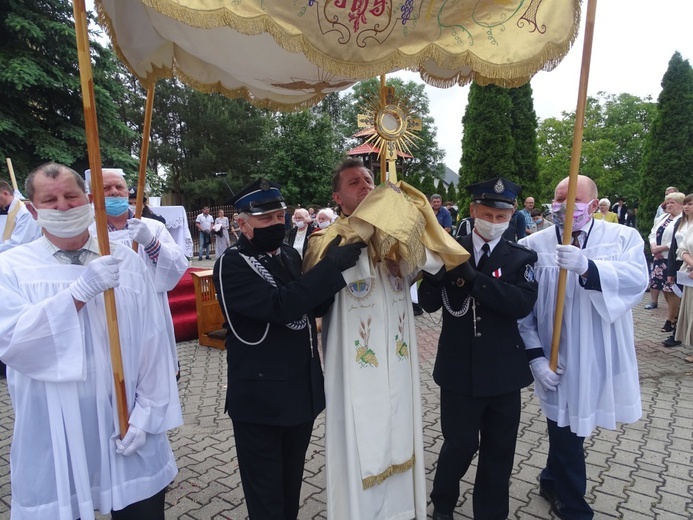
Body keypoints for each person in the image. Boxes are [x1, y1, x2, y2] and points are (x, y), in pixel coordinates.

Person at [0, 162, 182, 519]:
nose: (64, 206)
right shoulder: (12, 268)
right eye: (50, 200)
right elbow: (14, 342)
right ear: (34, 210)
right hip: (57, 423)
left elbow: (153, 342)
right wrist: (77, 294)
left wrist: (147, 414)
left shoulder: (125, 262)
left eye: (71, 196)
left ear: (87, 199)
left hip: (126, 418)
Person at [303, 158, 468, 520]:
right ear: (337, 197)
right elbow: (311, 299)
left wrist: (414, 223)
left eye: (367, 179)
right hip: (354, 366)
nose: (364, 186)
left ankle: (403, 511)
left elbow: (433, 272)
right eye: (353, 183)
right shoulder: (326, 239)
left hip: (400, 359)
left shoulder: (397, 235)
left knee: (401, 428)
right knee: (361, 439)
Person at [212, 178, 365, 519]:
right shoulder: (231, 264)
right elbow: (279, 306)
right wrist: (329, 268)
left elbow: (311, 308)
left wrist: (341, 280)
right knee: (266, 499)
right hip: (261, 401)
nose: (276, 224)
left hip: (300, 394)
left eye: (279, 216)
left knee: (290, 488)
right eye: (265, 219)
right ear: (242, 224)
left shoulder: (289, 255)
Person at [518, 174, 648, 520]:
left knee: (570, 425)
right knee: (564, 428)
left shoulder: (623, 238)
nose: (563, 206)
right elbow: (523, 308)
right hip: (555, 354)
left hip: (598, 351)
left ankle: (549, 479)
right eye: (559, 199)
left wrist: (587, 267)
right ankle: (574, 506)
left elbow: (638, 280)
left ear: (593, 204)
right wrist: (534, 356)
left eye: (573, 199)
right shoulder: (535, 245)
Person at [419, 177, 538, 520]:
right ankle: (442, 505)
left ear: (512, 214)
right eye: (488, 214)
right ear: (473, 211)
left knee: (499, 452)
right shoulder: (449, 248)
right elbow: (427, 305)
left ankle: (490, 513)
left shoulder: (520, 256)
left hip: (503, 372)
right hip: (459, 369)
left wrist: (473, 278)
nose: (495, 222)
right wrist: (435, 274)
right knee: (458, 446)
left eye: (502, 217)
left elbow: (520, 304)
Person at [91, 168, 188, 380]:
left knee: (154, 376)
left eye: (119, 187)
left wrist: (151, 243)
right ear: (94, 195)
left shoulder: (152, 227)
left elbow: (179, 265)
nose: (114, 192)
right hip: (108, 314)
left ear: (128, 192)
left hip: (150, 310)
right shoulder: (88, 232)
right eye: (106, 188)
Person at [645, 192, 683, 323]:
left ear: (681, 204)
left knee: (672, 289)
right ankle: (673, 315)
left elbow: (680, 239)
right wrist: (653, 247)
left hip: (671, 258)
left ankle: (673, 318)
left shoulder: (684, 219)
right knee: (663, 288)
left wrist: (661, 248)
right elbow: (652, 233)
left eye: (673, 202)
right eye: (668, 202)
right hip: (659, 258)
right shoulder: (662, 218)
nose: (669, 205)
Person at [673, 193, 693, 360]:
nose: (687, 207)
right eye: (686, 204)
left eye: (690, 204)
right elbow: (682, 249)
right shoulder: (690, 226)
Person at [0, 179, 42, 253]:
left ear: (5, 194)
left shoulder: (25, 212)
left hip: (24, 258)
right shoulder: (5, 210)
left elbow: (17, 244)